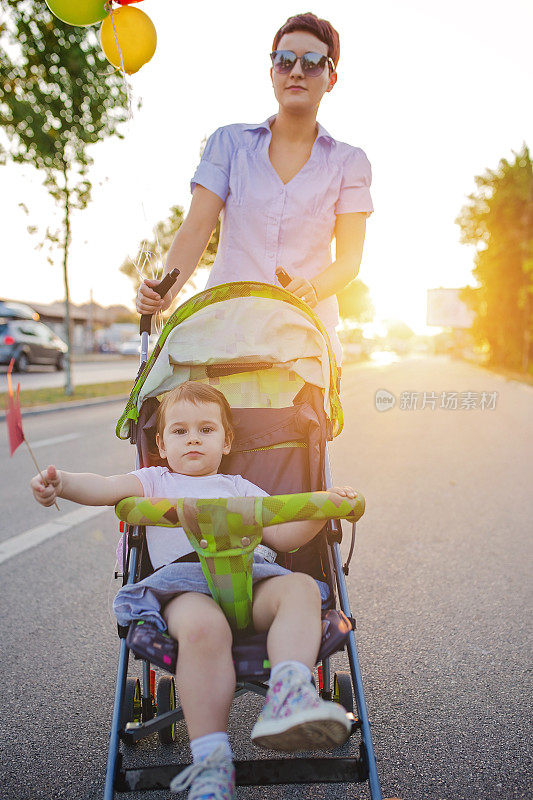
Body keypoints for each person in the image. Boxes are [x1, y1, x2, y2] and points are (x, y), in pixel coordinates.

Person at [31, 381, 358, 800]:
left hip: (252, 580)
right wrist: (63, 483)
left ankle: (290, 692)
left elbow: (285, 537)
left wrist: (324, 505)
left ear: (226, 442)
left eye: (206, 429)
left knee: (299, 589)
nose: (193, 439)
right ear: (162, 445)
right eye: (180, 431)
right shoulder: (153, 482)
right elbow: (104, 487)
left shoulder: (238, 487)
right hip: (185, 587)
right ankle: (211, 763)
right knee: (204, 629)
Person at [136, 12, 373, 366]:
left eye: (311, 63)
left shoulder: (349, 162)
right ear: (272, 71)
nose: (296, 71)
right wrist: (166, 292)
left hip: (304, 344)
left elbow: (350, 260)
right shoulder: (229, 143)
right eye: (284, 60)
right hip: (224, 338)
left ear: (331, 77)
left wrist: (314, 288)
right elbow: (197, 228)